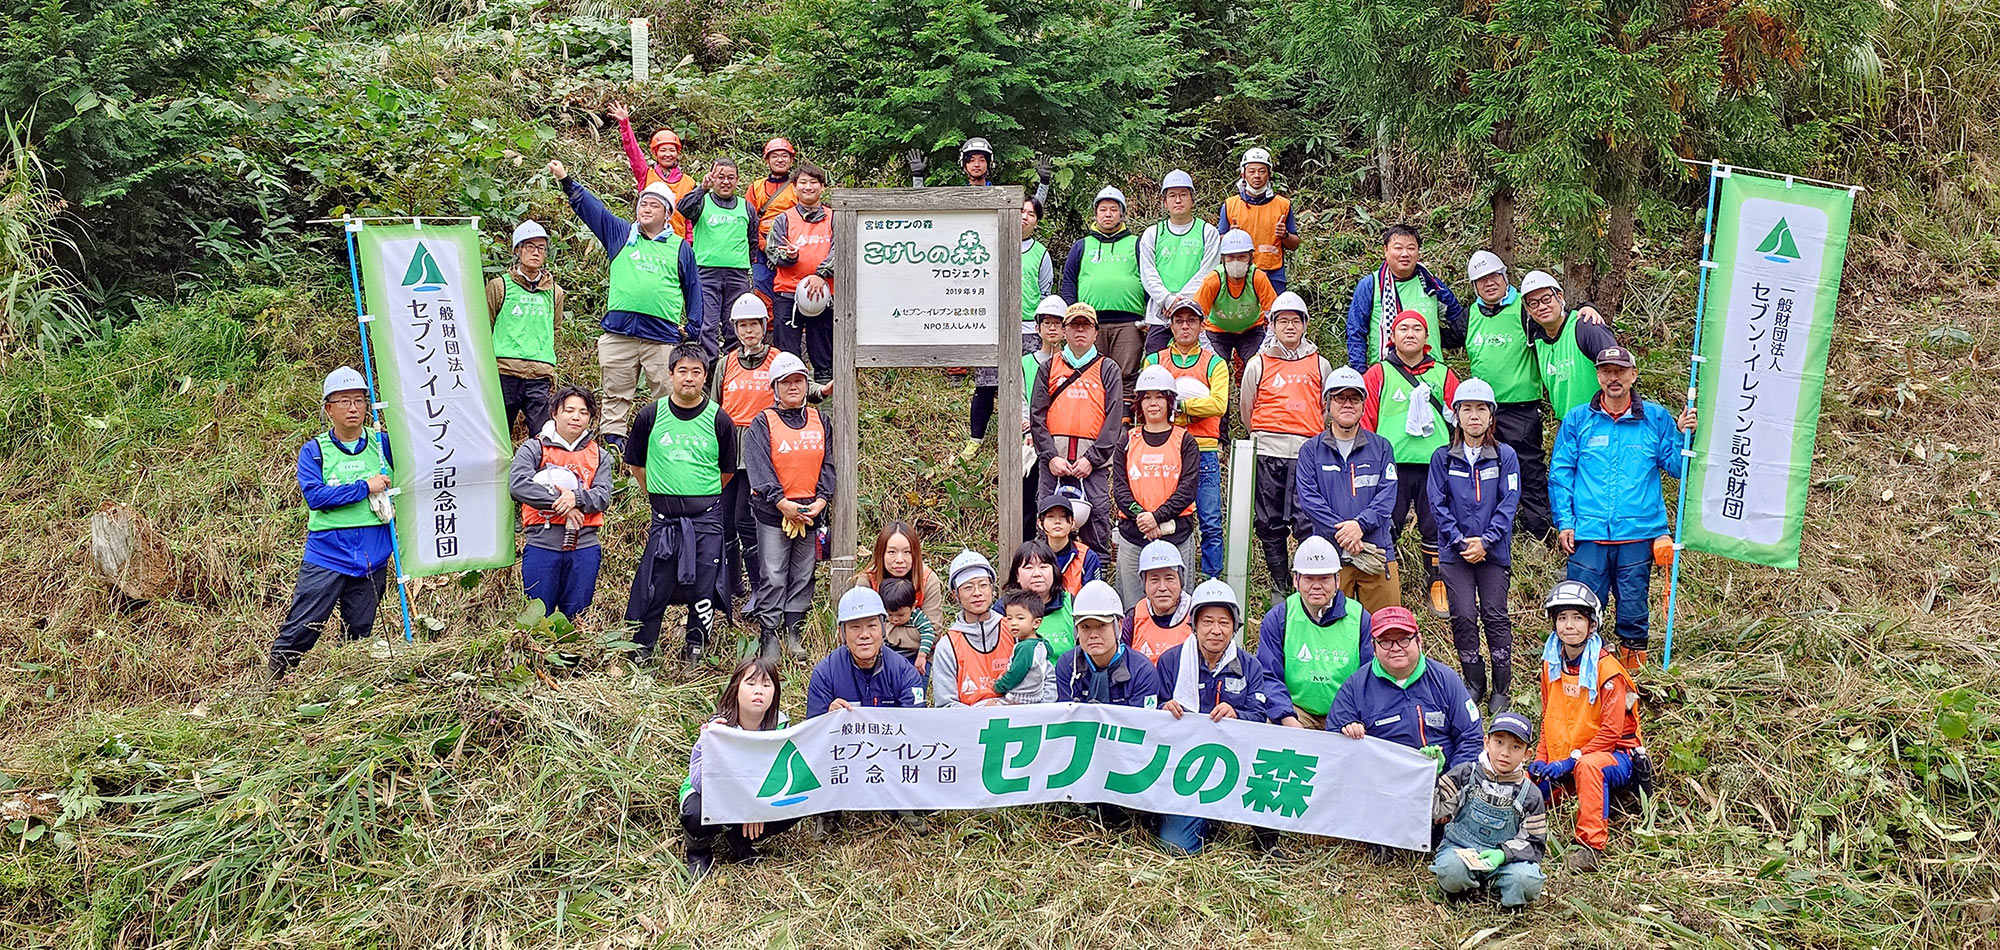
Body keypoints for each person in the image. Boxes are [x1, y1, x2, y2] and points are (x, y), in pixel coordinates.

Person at [1549, 345, 1697, 670]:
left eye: (1620, 371)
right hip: (1587, 534)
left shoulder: (1655, 418)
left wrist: (1684, 436)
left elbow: (1676, 467)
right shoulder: (1578, 419)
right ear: (1598, 376)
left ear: (1633, 375)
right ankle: (1583, 673)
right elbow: (1561, 473)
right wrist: (1565, 521)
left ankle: (1632, 678)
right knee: (1582, 608)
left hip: (1637, 534)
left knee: (1633, 610)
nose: (1613, 378)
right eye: (1606, 371)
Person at [548, 161, 703, 454]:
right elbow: (594, 211)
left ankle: (665, 444)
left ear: (667, 214)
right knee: (615, 391)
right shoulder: (621, 234)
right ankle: (613, 445)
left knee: (665, 392)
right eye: (643, 203)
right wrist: (568, 181)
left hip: (661, 335)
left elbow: (693, 288)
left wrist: (693, 326)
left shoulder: (680, 247)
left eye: (654, 205)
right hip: (619, 332)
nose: (645, 208)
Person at [1461, 253, 1603, 542]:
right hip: (1482, 408)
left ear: (1504, 276)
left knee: (1530, 469)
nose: (1489, 284)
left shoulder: (1524, 309)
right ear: (1473, 286)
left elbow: (1554, 316)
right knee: (1485, 467)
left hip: (1522, 407)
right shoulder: (1469, 315)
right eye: (1481, 280)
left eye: (1494, 277)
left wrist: (1586, 308)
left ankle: (1537, 529)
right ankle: (1490, 529)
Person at [269, 368, 395, 677]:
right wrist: (365, 487)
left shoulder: (383, 444)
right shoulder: (315, 451)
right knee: (304, 624)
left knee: (360, 627)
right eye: (344, 401)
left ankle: (347, 684)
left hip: (373, 551)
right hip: (328, 552)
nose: (353, 408)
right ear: (329, 409)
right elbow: (317, 496)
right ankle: (273, 682)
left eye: (359, 400)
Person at [624, 344, 736, 665]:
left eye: (696, 372)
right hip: (665, 520)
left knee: (704, 585)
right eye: (682, 371)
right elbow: (636, 463)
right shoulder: (650, 415)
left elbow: (727, 470)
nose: (689, 378)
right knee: (654, 583)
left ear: (705, 377)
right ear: (670, 374)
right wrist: (662, 494)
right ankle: (642, 651)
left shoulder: (719, 419)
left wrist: (698, 496)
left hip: (706, 519)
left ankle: (695, 650)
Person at [1531, 581, 1648, 871]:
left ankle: (1590, 846)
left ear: (1592, 624)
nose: (1569, 625)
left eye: (1577, 618)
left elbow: (1611, 733)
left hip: (1616, 756)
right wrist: (1541, 760)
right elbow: (1550, 718)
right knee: (1526, 783)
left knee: (1590, 767)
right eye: (1562, 618)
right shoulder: (1551, 664)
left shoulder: (1608, 671)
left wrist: (1571, 762)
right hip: (1568, 756)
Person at [1156, 578, 1277, 856]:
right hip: (1185, 769)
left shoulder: (1249, 666)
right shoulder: (1171, 662)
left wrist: (1237, 714)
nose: (1215, 630)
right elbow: (1150, 715)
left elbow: (1260, 718)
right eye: (1207, 621)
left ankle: (1266, 839)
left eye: (1224, 623)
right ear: (1194, 625)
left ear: (1234, 627)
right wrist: (1165, 710)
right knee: (1178, 848)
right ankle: (1202, 818)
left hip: (1238, 764)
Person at [1427, 379, 1521, 715]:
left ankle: (1501, 686)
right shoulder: (1442, 458)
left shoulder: (1505, 456)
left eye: (1481, 408)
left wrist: (1487, 540)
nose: (1474, 416)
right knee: (1463, 615)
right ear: (1456, 415)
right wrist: (1459, 540)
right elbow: (1437, 504)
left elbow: (1509, 503)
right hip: (1455, 553)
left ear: (1491, 415)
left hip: (1493, 553)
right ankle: (1474, 681)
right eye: (1467, 409)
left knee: (1495, 615)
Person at [1361, 309, 1462, 617]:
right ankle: (1383, 582)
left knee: (1437, 525)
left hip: (1436, 464)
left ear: (1426, 337)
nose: (1410, 334)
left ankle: (1438, 584)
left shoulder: (1443, 374)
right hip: (1392, 465)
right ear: (1392, 336)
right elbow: (1366, 419)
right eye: (1402, 328)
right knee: (1386, 524)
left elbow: (1461, 418)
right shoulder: (1378, 373)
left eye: (1417, 328)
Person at [1240, 291, 1333, 594]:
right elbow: (1247, 407)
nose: (1289, 326)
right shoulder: (1259, 363)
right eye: (1283, 321)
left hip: (1307, 453)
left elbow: (1325, 407)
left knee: (1306, 521)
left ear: (1305, 324)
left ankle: (1306, 579)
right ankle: (1280, 584)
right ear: (1272, 325)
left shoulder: (1320, 364)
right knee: (1269, 522)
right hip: (1268, 450)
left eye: (1295, 320)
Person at [744, 353, 834, 660]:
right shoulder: (762, 422)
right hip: (774, 513)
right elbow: (759, 467)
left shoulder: (821, 421)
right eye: (786, 382)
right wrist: (781, 503)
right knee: (773, 572)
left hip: (811, 511)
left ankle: (794, 629)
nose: (793, 387)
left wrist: (822, 499)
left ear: (807, 385)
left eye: (798, 381)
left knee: (804, 572)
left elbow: (829, 464)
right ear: (775, 387)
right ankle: (769, 630)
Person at [1328, 605, 1484, 777]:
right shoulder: (1354, 688)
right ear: (1374, 646)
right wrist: (1349, 732)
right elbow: (1335, 745)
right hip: (1383, 786)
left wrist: (1454, 781)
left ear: (1419, 640)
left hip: (1444, 783)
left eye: (1404, 639)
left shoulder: (1446, 679)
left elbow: (1470, 737)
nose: (1395, 648)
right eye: (1385, 641)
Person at [1294, 367, 1402, 613]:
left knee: (1384, 629)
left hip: (1376, 553)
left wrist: (1360, 526)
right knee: (1331, 631)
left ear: (1364, 405)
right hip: (1327, 560)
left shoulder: (1382, 447)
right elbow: (1310, 501)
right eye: (1339, 397)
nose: (1347, 404)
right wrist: (1345, 534)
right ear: (1327, 403)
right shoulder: (1311, 450)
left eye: (1354, 398)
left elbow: (1387, 497)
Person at [680, 658, 798, 877]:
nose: (758, 691)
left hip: (757, 796)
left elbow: (782, 777)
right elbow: (698, 781)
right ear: (736, 688)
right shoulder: (720, 727)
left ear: (775, 693)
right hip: (718, 795)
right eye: (751, 683)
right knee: (696, 810)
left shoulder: (782, 728)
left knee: (796, 799)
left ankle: (739, 840)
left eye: (766, 684)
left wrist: (760, 808)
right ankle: (699, 850)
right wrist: (710, 743)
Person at [508, 385, 615, 622]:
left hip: (585, 546)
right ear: (554, 412)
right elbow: (518, 485)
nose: (576, 417)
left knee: (576, 618)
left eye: (583, 412)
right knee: (537, 620)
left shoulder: (599, 455)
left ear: (590, 418)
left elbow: (603, 495)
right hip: (542, 544)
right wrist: (561, 502)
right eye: (569, 410)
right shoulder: (534, 448)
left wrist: (575, 498)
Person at [1142, 299, 1231, 578]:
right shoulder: (1154, 360)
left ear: (1201, 326)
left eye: (1191, 320)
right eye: (1179, 320)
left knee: (1211, 521)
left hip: (1204, 449)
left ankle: (1211, 581)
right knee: (1164, 517)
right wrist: (1189, 406)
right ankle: (1163, 578)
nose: (1184, 326)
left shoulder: (1214, 362)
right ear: (1170, 325)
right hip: (1167, 448)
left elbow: (1218, 404)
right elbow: (1148, 401)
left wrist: (1179, 406)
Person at [965, 202, 1059, 462]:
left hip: (1028, 327)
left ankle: (1026, 437)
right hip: (993, 326)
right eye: (1021, 212)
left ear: (1036, 222)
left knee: (1027, 385)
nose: (1024, 217)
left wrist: (1041, 327)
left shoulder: (1041, 253)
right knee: (985, 385)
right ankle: (975, 440)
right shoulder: (992, 245)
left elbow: (1045, 291)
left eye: (1031, 214)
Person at [713, 294, 786, 626]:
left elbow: (795, 388)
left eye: (754, 324)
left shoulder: (777, 359)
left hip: (761, 449)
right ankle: (731, 583)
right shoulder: (725, 363)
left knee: (746, 517)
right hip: (728, 448)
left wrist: (822, 389)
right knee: (725, 518)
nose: (749, 331)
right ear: (735, 328)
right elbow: (713, 407)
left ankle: (760, 587)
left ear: (764, 326)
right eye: (743, 325)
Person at [1029, 302, 1124, 551]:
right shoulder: (1048, 367)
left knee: (1098, 520)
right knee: (1049, 525)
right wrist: (1049, 457)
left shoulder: (1108, 368)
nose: (1080, 330)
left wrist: (1092, 459)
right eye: (1074, 325)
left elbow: (1114, 418)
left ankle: (1097, 579)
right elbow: (1037, 415)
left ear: (1095, 332)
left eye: (1086, 325)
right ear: (1064, 331)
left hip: (1092, 463)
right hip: (1054, 463)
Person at [1430, 712, 1549, 908]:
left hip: (1506, 862)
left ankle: (1502, 890)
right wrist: (1432, 774)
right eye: (1499, 742)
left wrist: (1504, 854)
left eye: (1516, 747)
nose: (1505, 753)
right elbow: (1435, 810)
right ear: (1486, 742)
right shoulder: (1465, 773)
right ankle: (1463, 889)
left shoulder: (1531, 795)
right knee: (1450, 869)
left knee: (1527, 881)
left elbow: (1535, 843)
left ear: (1527, 754)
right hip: (1460, 849)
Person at [1255, 536, 1374, 729]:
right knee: (1268, 725)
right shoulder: (1279, 617)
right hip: (1297, 711)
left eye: (1325, 578)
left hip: (1347, 713)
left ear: (1337, 580)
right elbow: (1268, 676)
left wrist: (1352, 717)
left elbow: (1370, 676)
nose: (1316, 586)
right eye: (1309, 578)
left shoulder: (1360, 617)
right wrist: (1287, 718)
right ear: (1296, 580)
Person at [1112, 366, 1199, 598]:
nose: (1153, 403)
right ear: (1138, 403)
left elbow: (1187, 489)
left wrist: (1156, 517)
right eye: (1147, 397)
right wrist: (1142, 517)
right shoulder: (1127, 441)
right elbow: (1120, 490)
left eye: (1160, 396)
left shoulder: (1185, 441)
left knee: (1179, 603)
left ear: (1170, 401)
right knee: (1132, 607)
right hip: (1134, 534)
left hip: (1176, 534)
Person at [1344, 224, 1465, 372]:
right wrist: (1361, 373)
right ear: (1386, 250)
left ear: (1418, 253)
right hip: (1386, 374)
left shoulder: (1431, 284)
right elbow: (1356, 331)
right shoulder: (1371, 285)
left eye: (1411, 248)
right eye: (1398, 248)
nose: (1405, 254)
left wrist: (1435, 337)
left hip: (1431, 372)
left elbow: (1459, 320)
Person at [1061, 187, 1146, 398]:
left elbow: (1149, 279)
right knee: (1090, 372)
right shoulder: (1082, 246)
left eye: (1113, 209)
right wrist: (1072, 314)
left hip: (1129, 323)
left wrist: (1148, 316)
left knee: (1125, 375)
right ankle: (1092, 427)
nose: (1108, 214)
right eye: (1103, 209)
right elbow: (1069, 281)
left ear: (1122, 214)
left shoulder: (1137, 244)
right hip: (1089, 322)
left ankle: (1123, 425)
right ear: (1095, 214)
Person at [486, 220, 566, 436]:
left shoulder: (555, 292)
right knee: (497, 435)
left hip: (540, 374)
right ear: (517, 250)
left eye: (541, 248)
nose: (535, 252)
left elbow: (554, 328)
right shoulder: (499, 285)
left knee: (543, 436)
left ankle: (540, 471)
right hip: (505, 372)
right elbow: (487, 325)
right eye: (529, 246)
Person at [676, 158, 761, 352]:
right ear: (712, 177)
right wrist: (702, 188)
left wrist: (746, 265)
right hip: (706, 274)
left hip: (737, 275)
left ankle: (733, 367)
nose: (725, 182)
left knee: (736, 324)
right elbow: (682, 209)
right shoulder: (702, 202)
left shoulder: (745, 207)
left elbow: (752, 240)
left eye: (730, 177)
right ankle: (710, 372)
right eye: (720, 177)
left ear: (737, 180)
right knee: (707, 325)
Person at [807, 586, 927, 717]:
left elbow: (915, 725)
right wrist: (828, 718)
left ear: (883, 629)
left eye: (872, 626)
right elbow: (814, 730)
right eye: (855, 627)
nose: (864, 634)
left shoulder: (904, 673)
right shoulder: (825, 674)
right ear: (842, 633)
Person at [766, 162, 836, 384]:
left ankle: (825, 401)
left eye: (813, 182)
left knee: (824, 353)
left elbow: (841, 249)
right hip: (788, 293)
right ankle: (788, 400)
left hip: (825, 294)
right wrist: (790, 257)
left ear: (822, 187)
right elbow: (772, 252)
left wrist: (821, 274)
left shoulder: (835, 217)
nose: (808, 187)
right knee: (786, 354)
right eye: (802, 182)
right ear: (794, 188)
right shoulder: (783, 219)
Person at [1139, 170, 1221, 353]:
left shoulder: (1208, 232)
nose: (1178, 200)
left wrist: (1182, 303)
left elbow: (1208, 272)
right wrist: (1167, 300)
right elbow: (1148, 273)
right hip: (1160, 314)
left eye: (1183, 194)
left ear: (1192, 198)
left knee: (1200, 364)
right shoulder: (1153, 234)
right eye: (1172, 195)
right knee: (1155, 365)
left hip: (1197, 313)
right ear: (1164, 201)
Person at [1522, 269, 1620, 421]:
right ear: (1528, 310)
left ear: (1559, 297)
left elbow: (1619, 372)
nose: (1541, 307)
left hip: (1600, 421)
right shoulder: (1538, 341)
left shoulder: (1586, 327)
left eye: (1546, 299)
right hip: (1567, 425)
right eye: (1533, 304)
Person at [1055, 581, 1161, 707]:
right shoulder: (1067, 665)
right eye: (1085, 627)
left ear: (1119, 626)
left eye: (1102, 626)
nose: (1093, 634)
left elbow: (1141, 722)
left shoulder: (1142, 671)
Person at [929, 550, 1014, 707]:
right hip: (969, 727)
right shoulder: (948, 645)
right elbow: (945, 705)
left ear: (992, 588)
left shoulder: (1013, 629)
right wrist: (982, 711)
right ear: (956, 595)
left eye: (983, 585)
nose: (977, 593)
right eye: (968, 587)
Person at [1216, 148, 1301, 294]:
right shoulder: (1230, 205)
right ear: (1243, 174)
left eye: (1262, 171)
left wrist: (1284, 235)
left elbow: (1294, 244)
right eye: (1252, 171)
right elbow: (1218, 242)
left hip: (1273, 273)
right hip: (1239, 272)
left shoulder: (1283, 205)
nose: (1257, 176)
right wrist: (1229, 236)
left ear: (1269, 174)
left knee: (1274, 314)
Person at [608, 101, 695, 236]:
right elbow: (633, 153)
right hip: (647, 239)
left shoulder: (689, 183)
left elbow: (689, 221)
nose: (667, 154)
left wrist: (689, 245)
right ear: (655, 153)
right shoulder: (646, 175)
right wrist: (624, 125)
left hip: (676, 244)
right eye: (663, 150)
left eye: (671, 150)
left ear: (678, 153)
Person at [1196, 229, 1278, 369]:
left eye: (1242, 257)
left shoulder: (1258, 278)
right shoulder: (1213, 280)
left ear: (1250, 258)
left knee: (1259, 366)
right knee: (1213, 367)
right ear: (1223, 259)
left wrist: (1263, 350)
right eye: (1231, 257)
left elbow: (1275, 315)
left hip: (1251, 329)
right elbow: (1196, 316)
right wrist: (1208, 350)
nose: (1236, 262)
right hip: (1217, 331)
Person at [857, 521, 948, 632]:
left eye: (907, 552)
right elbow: (861, 631)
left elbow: (934, 632)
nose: (899, 560)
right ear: (881, 554)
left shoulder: (927, 580)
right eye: (892, 552)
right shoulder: (867, 581)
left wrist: (883, 633)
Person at [908, 136, 1053, 202]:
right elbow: (922, 207)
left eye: (982, 160)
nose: (976, 164)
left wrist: (1044, 182)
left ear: (990, 164)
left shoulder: (1001, 196)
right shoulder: (956, 197)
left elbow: (1032, 210)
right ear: (963, 165)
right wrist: (917, 177)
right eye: (971, 160)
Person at [1120, 540, 1194, 663]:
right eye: (1154, 580)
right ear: (1144, 583)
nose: (1162, 588)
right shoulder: (1133, 619)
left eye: (1170, 579)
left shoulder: (1195, 617)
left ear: (1181, 581)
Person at [1004, 538, 1077, 657]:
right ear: (1017, 575)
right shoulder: (1005, 609)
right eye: (1028, 568)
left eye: (1043, 567)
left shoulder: (1072, 604)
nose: (1037, 573)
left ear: (1054, 571)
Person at [746, 138, 798, 302]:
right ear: (767, 160)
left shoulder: (798, 186)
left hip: (790, 247)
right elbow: (749, 219)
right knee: (762, 289)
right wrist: (762, 244)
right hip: (761, 249)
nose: (780, 160)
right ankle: (767, 327)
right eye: (775, 156)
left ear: (791, 160)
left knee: (790, 290)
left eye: (784, 156)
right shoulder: (756, 187)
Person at [990, 589, 1058, 704]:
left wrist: (998, 686)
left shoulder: (1025, 647)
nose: (1013, 623)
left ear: (1036, 623)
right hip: (1037, 697)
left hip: (1020, 698)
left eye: (1020, 618)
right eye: (1009, 618)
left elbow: (1015, 674)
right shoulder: (1040, 645)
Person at [1037, 493, 1101, 598]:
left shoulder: (1087, 556)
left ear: (1073, 523)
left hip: (1075, 612)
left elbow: (1093, 597)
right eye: (1050, 516)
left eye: (1063, 516)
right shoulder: (1033, 555)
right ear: (1040, 523)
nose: (1057, 521)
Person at [879, 576, 939, 673]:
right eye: (890, 614)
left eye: (901, 615)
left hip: (913, 656)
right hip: (890, 656)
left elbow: (928, 633)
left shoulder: (917, 617)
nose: (895, 619)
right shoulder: (883, 617)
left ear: (913, 606)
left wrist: (922, 655)